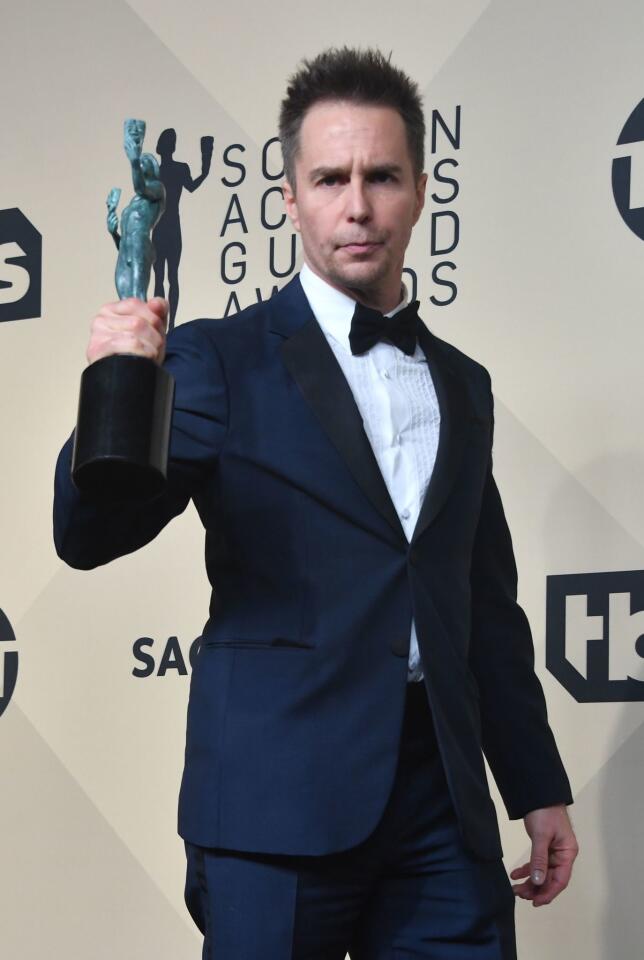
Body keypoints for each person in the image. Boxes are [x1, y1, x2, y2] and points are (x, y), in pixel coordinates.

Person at [54, 47, 578, 959]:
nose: (358, 205)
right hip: (273, 802)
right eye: (330, 178)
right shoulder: (219, 360)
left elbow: (484, 607)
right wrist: (118, 385)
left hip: (439, 806)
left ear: (420, 188)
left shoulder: (465, 386)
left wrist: (535, 785)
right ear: (290, 197)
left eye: (381, 176)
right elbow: (86, 534)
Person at [107, 119, 166, 301]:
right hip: (125, 250)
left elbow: (140, 187)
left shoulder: (157, 189)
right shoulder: (133, 203)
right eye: (140, 161)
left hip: (140, 246)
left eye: (145, 161)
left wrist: (133, 161)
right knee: (125, 302)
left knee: (138, 300)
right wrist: (113, 233)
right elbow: (126, 236)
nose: (141, 162)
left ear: (153, 168)